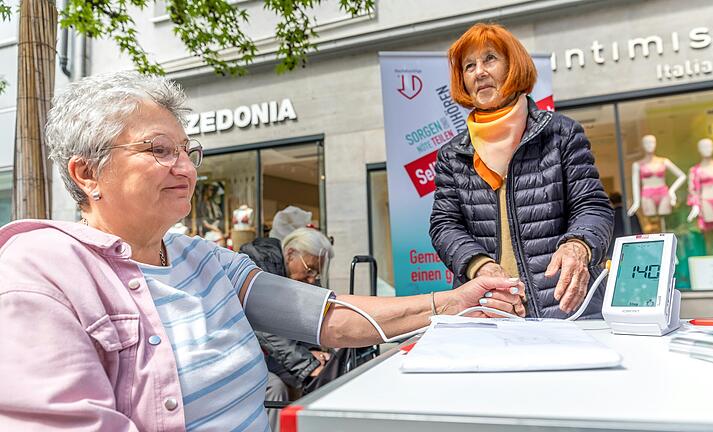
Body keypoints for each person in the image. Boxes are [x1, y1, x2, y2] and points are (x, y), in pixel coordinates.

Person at [0, 71, 520, 432]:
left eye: (188, 152)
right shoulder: (40, 273)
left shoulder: (203, 259)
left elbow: (326, 316)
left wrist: (453, 301)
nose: (185, 168)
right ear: (86, 172)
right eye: (159, 150)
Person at [430, 23, 613, 319]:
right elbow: (444, 225)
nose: (479, 72)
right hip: (489, 310)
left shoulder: (561, 134)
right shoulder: (453, 155)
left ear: (512, 65)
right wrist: (478, 264)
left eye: (490, 59)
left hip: (565, 307)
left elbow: (592, 206)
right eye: (469, 66)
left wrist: (578, 245)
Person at [240, 227, 335, 431]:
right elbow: (265, 326)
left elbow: (304, 316)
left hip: (266, 352)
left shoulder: (289, 272)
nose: (312, 278)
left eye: (316, 273)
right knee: (275, 387)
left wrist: (312, 351)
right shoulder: (258, 265)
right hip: (245, 352)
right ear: (290, 254)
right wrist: (308, 365)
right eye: (309, 270)